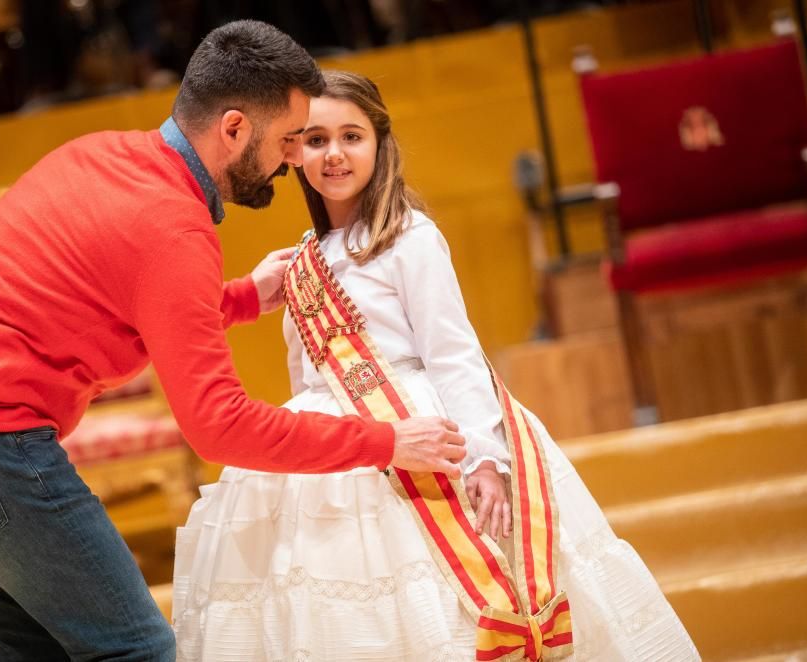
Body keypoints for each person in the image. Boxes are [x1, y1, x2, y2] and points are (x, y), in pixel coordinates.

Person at [0, 24, 465, 661]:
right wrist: (387, 443)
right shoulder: (174, 228)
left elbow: (119, 299)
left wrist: (239, 298)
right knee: (137, 651)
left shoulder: (103, 153)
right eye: (289, 139)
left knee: (41, 654)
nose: (293, 160)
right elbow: (218, 427)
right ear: (234, 129)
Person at [171, 70, 700, 661]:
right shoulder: (299, 262)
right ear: (292, 153)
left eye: (352, 136)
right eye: (316, 140)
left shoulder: (408, 237)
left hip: (426, 442)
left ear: (379, 142)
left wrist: (483, 457)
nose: (335, 154)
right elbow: (307, 377)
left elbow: (454, 354)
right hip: (338, 459)